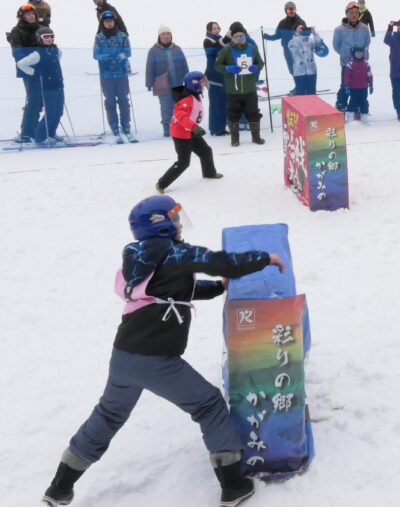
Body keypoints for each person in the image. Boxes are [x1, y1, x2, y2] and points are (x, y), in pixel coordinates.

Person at [40, 194, 285, 507]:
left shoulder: (143, 258)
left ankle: (60, 488)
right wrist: (264, 258)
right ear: (162, 226)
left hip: (124, 357)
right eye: (176, 219)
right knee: (208, 404)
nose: (181, 225)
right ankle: (234, 486)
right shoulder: (173, 252)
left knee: (108, 415)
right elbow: (217, 262)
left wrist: (219, 288)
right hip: (155, 360)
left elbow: (180, 290)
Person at [156, 72, 223, 191]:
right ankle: (161, 184)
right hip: (181, 134)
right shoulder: (187, 99)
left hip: (191, 131)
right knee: (183, 162)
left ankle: (209, 173)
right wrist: (194, 127)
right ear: (194, 84)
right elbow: (180, 116)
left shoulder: (194, 95)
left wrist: (193, 128)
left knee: (206, 151)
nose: (204, 85)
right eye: (202, 82)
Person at [216, 22, 265, 146]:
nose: (240, 39)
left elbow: (261, 63)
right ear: (232, 37)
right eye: (237, 36)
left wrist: (256, 67)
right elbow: (217, 66)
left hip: (250, 88)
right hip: (233, 90)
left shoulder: (251, 48)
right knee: (233, 114)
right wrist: (229, 69)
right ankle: (235, 139)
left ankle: (256, 137)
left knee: (253, 112)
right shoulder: (226, 50)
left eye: (242, 36)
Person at [15, 25, 65, 144]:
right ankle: (41, 137)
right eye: (46, 36)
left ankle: (51, 134)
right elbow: (21, 64)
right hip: (48, 87)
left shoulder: (56, 50)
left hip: (58, 84)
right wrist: (33, 72)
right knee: (51, 112)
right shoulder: (37, 53)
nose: (49, 38)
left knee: (59, 111)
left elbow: (56, 62)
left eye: (51, 36)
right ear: (40, 38)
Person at [94, 12, 136, 143]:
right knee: (110, 100)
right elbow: (96, 54)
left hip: (121, 73)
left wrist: (119, 57)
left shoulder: (122, 36)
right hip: (106, 75)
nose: (109, 23)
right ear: (103, 23)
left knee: (124, 100)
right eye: (106, 21)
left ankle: (126, 125)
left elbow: (128, 51)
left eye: (111, 21)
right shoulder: (99, 37)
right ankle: (114, 126)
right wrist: (107, 58)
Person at [145, 26, 189, 137]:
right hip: (162, 83)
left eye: (168, 34)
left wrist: (187, 79)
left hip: (178, 82)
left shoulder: (177, 49)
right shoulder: (153, 50)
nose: (166, 36)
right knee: (166, 106)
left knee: (178, 105)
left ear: (171, 36)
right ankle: (166, 127)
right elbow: (149, 67)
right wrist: (149, 83)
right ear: (159, 36)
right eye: (163, 34)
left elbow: (184, 64)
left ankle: (178, 125)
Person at [9, 4, 42, 143]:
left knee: (39, 101)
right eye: (27, 14)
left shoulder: (40, 28)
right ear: (22, 16)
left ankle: (34, 129)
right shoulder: (17, 31)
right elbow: (17, 54)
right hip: (28, 71)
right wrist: (30, 63)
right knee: (34, 100)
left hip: (42, 69)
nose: (31, 16)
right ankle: (26, 132)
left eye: (32, 13)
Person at [332, 2, 372, 111]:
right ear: (347, 14)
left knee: (359, 85)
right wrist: (344, 53)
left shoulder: (364, 28)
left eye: (356, 12)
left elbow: (367, 42)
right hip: (346, 63)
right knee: (345, 84)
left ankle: (357, 105)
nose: (354, 14)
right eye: (351, 12)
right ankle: (341, 104)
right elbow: (336, 45)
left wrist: (362, 54)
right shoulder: (339, 29)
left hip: (360, 63)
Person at [262, 1, 306, 92]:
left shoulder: (300, 21)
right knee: (292, 69)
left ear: (295, 10)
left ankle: (302, 87)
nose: (291, 11)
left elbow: (306, 34)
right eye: (289, 10)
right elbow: (277, 35)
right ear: (286, 11)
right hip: (287, 49)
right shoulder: (282, 23)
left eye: (293, 9)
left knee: (299, 68)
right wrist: (268, 37)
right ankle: (298, 86)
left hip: (298, 50)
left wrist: (304, 31)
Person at [288, 23, 327, 96]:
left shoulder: (311, 40)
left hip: (311, 71)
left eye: (303, 28)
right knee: (300, 93)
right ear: (294, 31)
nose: (302, 29)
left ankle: (311, 107)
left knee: (312, 93)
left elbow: (319, 45)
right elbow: (293, 49)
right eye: (300, 28)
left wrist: (314, 33)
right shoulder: (292, 42)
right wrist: (298, 34)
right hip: (299, 72)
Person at [202, 22, 228, 136]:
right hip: (213, 75)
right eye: (214, 29)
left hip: (222, 74)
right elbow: (212, 50)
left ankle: (221, 127)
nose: (217, 30)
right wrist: (226, 40)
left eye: (218, 28)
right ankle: (215, 128)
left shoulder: (221, 40)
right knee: (215, 103)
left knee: (223, 102)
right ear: (209, 30)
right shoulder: (207, 41)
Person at [343, 46, 373, 121]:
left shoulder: (366, 64)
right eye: (357, 52)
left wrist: (371, 84)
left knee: (364, 103)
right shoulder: (350, 64)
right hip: (354, 88)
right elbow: (347, 76)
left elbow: (369, 74)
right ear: (353, 53)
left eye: (361, 52)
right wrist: (346, 85)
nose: (359, 54)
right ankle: (350, 118)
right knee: (353, 103)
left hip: (364, 88)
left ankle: (364, 118)